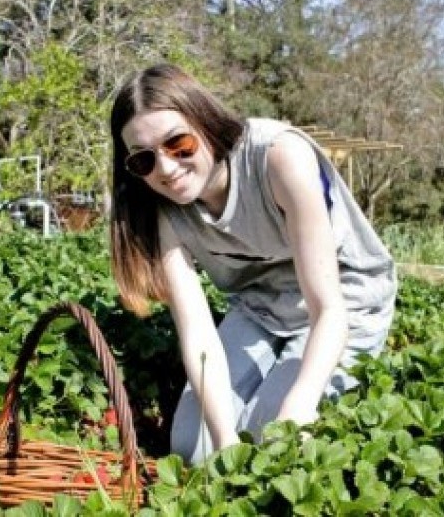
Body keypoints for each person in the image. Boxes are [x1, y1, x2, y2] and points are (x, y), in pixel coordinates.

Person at [109, 63, 397, 464]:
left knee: (274, 438)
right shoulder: (161, 210)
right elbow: (197, 334)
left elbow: (329, 309)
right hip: (260, 304)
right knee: (194, 447)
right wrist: (224, 439)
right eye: (144, 160)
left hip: (344, 300)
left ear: (205, 122)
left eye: (179, 144)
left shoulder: (279, 157)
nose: (167, 169)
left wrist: (301, 401)